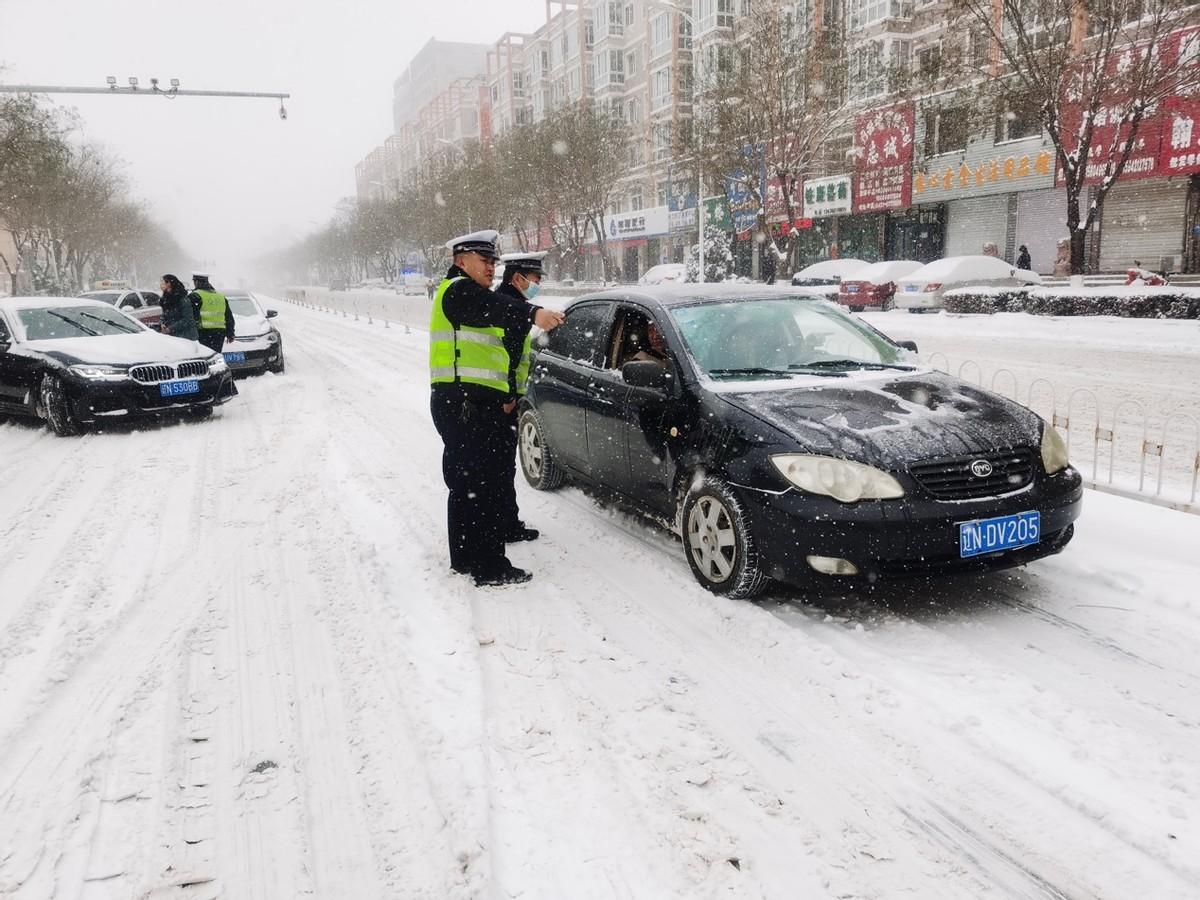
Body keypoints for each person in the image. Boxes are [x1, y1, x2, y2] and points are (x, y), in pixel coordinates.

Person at [430, 231, 564, 587]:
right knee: (482, 487)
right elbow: (494, 307)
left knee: (467, 485)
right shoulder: (458, 291)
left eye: (493, 261)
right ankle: (490, 567)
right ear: (461, 260)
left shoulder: (466, 293)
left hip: (466, 402)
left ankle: (465, 557)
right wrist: (534, 312)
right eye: (485, 260)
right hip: (465, 404)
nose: (492, 268)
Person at [495, 251, 547, 545]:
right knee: (500, 466)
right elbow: (504, 357)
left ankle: (507, 522)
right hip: (504, 399)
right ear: (518, 278)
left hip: (507, 396)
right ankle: (504, 526)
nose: (537, 285)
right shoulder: (509, 307)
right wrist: (509, 395)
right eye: (535, 280)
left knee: (504, 466)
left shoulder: (509, 302)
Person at [188, 272, 236, 354]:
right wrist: (230, 333)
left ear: (196, 282)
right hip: (219, 333)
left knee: (204, 357)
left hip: (203, 333)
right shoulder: (220, 296)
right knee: (215, 356)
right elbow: (228, 316)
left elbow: (191, 316)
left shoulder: (195, 296)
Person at [158, 274, 198, 341]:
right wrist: (162, 323)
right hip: (173, 336)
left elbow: (187, 319)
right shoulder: (165, 299)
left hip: (186, 336)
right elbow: (164, 315)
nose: (160, 285)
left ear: (169, 284)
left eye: (162, 282)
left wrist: (170, 329)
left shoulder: (182, 299)